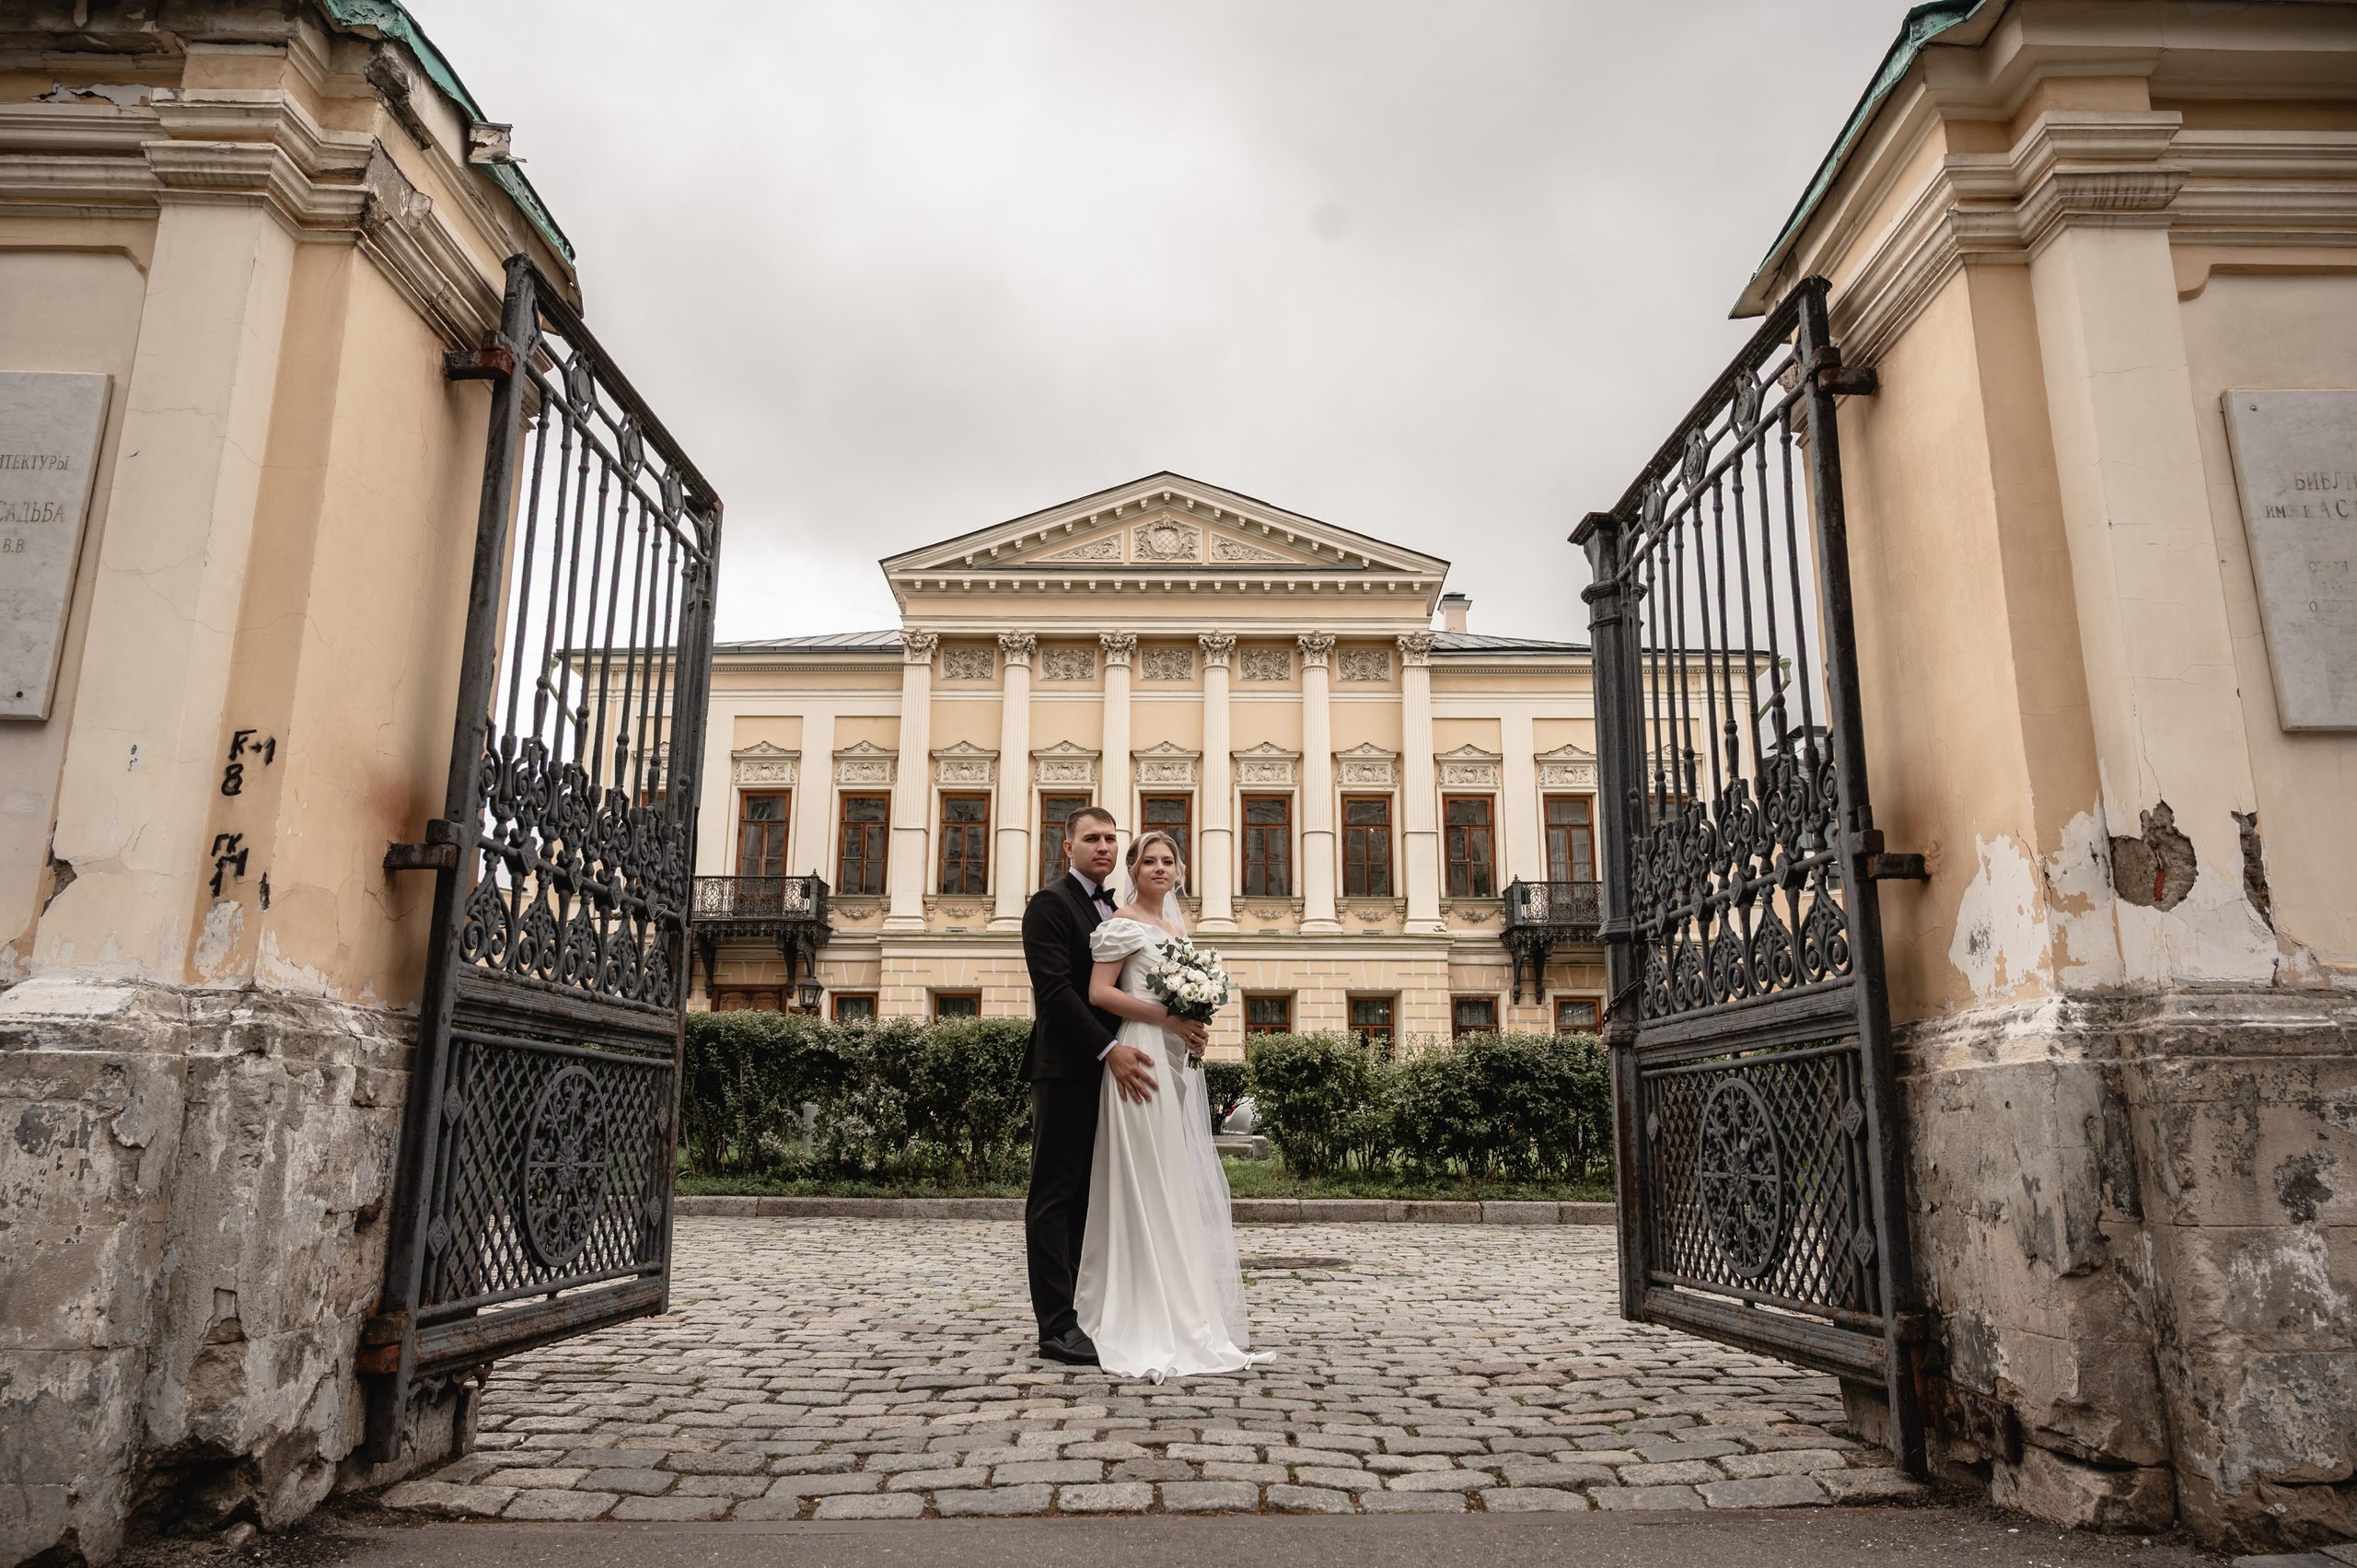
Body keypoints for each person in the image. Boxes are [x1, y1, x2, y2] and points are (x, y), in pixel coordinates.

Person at [1072, 830, 1266, 1379]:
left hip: (1175, 1058)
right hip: (1139, 1052)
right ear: (1132, 870)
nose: (1160, 868)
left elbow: (1182, 1002)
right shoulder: (1120, 924)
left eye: (1168, 861)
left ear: (1180, 870)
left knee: (1172, 1175)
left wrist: (1193, 1029)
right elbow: (1099, 994)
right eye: (1148, 861)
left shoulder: (1178, 927)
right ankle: (1140, 1307)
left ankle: (1181, 1307)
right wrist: (1169, 1020)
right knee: (1144, 1177)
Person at [1019, 805, 1159, 1365]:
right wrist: (1108, 1050)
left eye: (1110, 838)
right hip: (1067, 1067)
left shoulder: (1116, 910)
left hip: (1115, 1070)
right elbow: (1055, 992)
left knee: (1089, 1198)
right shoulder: (1050, 905)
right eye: (1091, 839)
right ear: (1068, 846)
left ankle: (1087, 1311)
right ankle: (1054, 1326)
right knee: (1054, 1196)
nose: (1103, 847)